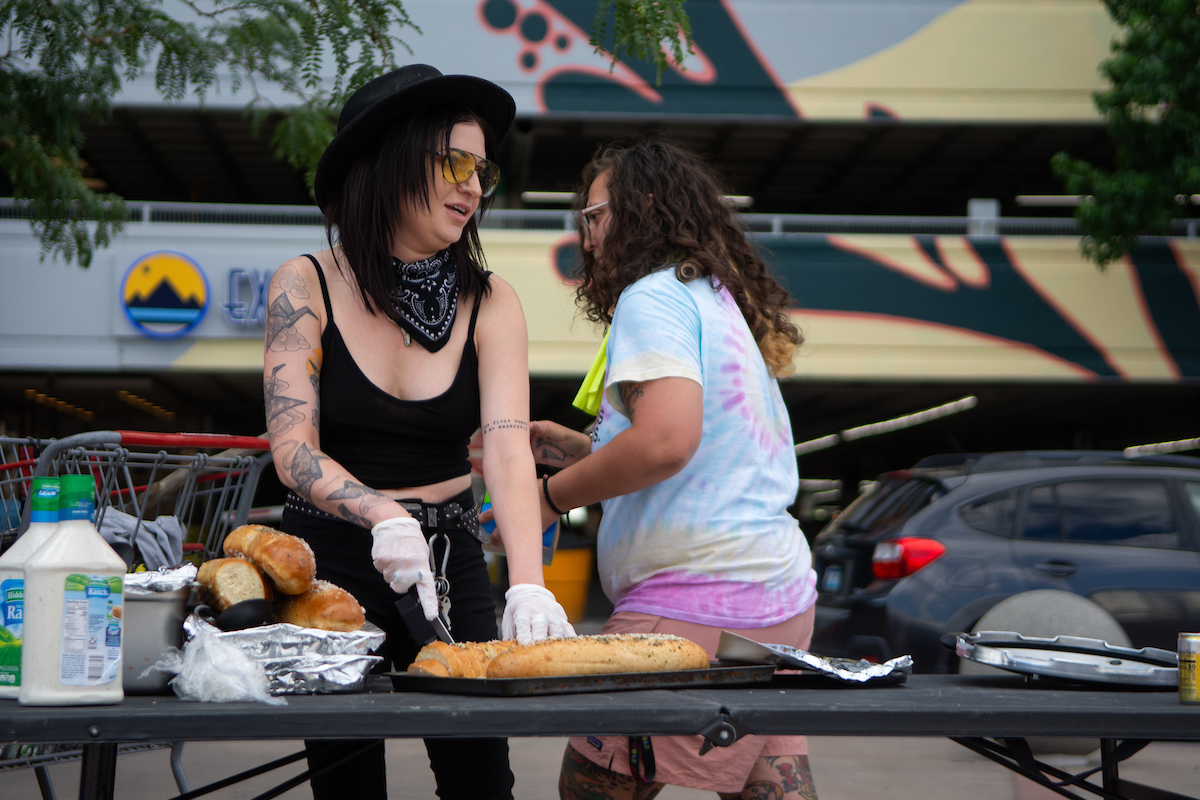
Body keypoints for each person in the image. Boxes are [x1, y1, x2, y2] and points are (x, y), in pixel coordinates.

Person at [263, 64, 574, 800]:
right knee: (345, 786)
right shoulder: (304, 282)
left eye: (482, 170)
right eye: (453, 163)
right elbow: (291, 447)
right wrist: (378, 512)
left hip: (449, 553)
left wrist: (529, 584)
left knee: (482, 782)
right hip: (332, 553)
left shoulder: (491, 297)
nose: (473, 186)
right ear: (390, 160)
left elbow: (505, 445)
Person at [528, 140, 820, 800]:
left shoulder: (652, 299)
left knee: (590, 788)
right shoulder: (712, 298)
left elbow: (665, 443)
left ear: (643, 211)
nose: (587, 237)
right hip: (774, 600)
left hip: (692, 609)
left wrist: (549, 496)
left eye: (594, 215)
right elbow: (706, 452)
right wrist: (583, 449)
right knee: (775, 787)